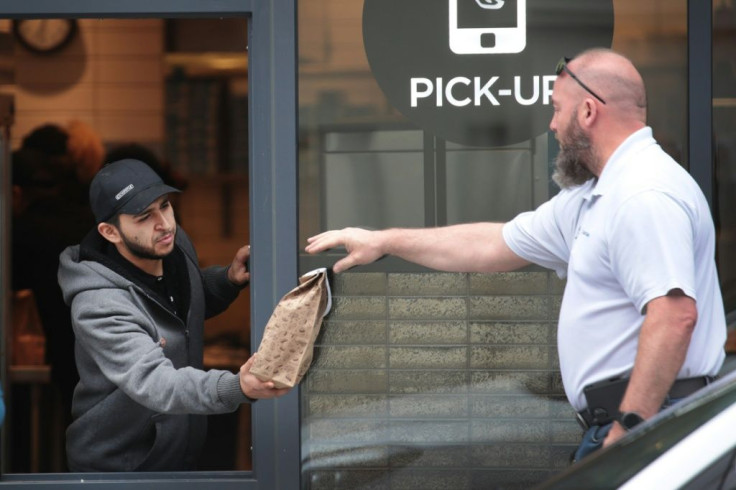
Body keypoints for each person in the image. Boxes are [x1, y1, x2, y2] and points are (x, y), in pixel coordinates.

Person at [305, 48, 726, 462]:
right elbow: (493, 244)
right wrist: (385, 241)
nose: (552, 124)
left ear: (587, 112)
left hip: (646, 426)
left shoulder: (642, 194)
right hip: (634, 422)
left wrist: (629, 432)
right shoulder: (595, 197)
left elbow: (674, 316)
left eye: (557, 110)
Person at [58, 158, 290, 472]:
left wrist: (227, 279)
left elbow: (178, 306)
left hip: (175, 455)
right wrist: (238, 386)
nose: (164, 223)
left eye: (165, 206)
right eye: (144, 216)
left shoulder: (173, 247)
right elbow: (157, 382)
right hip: (119, 469)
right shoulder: (99, 305)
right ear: (110, 232)